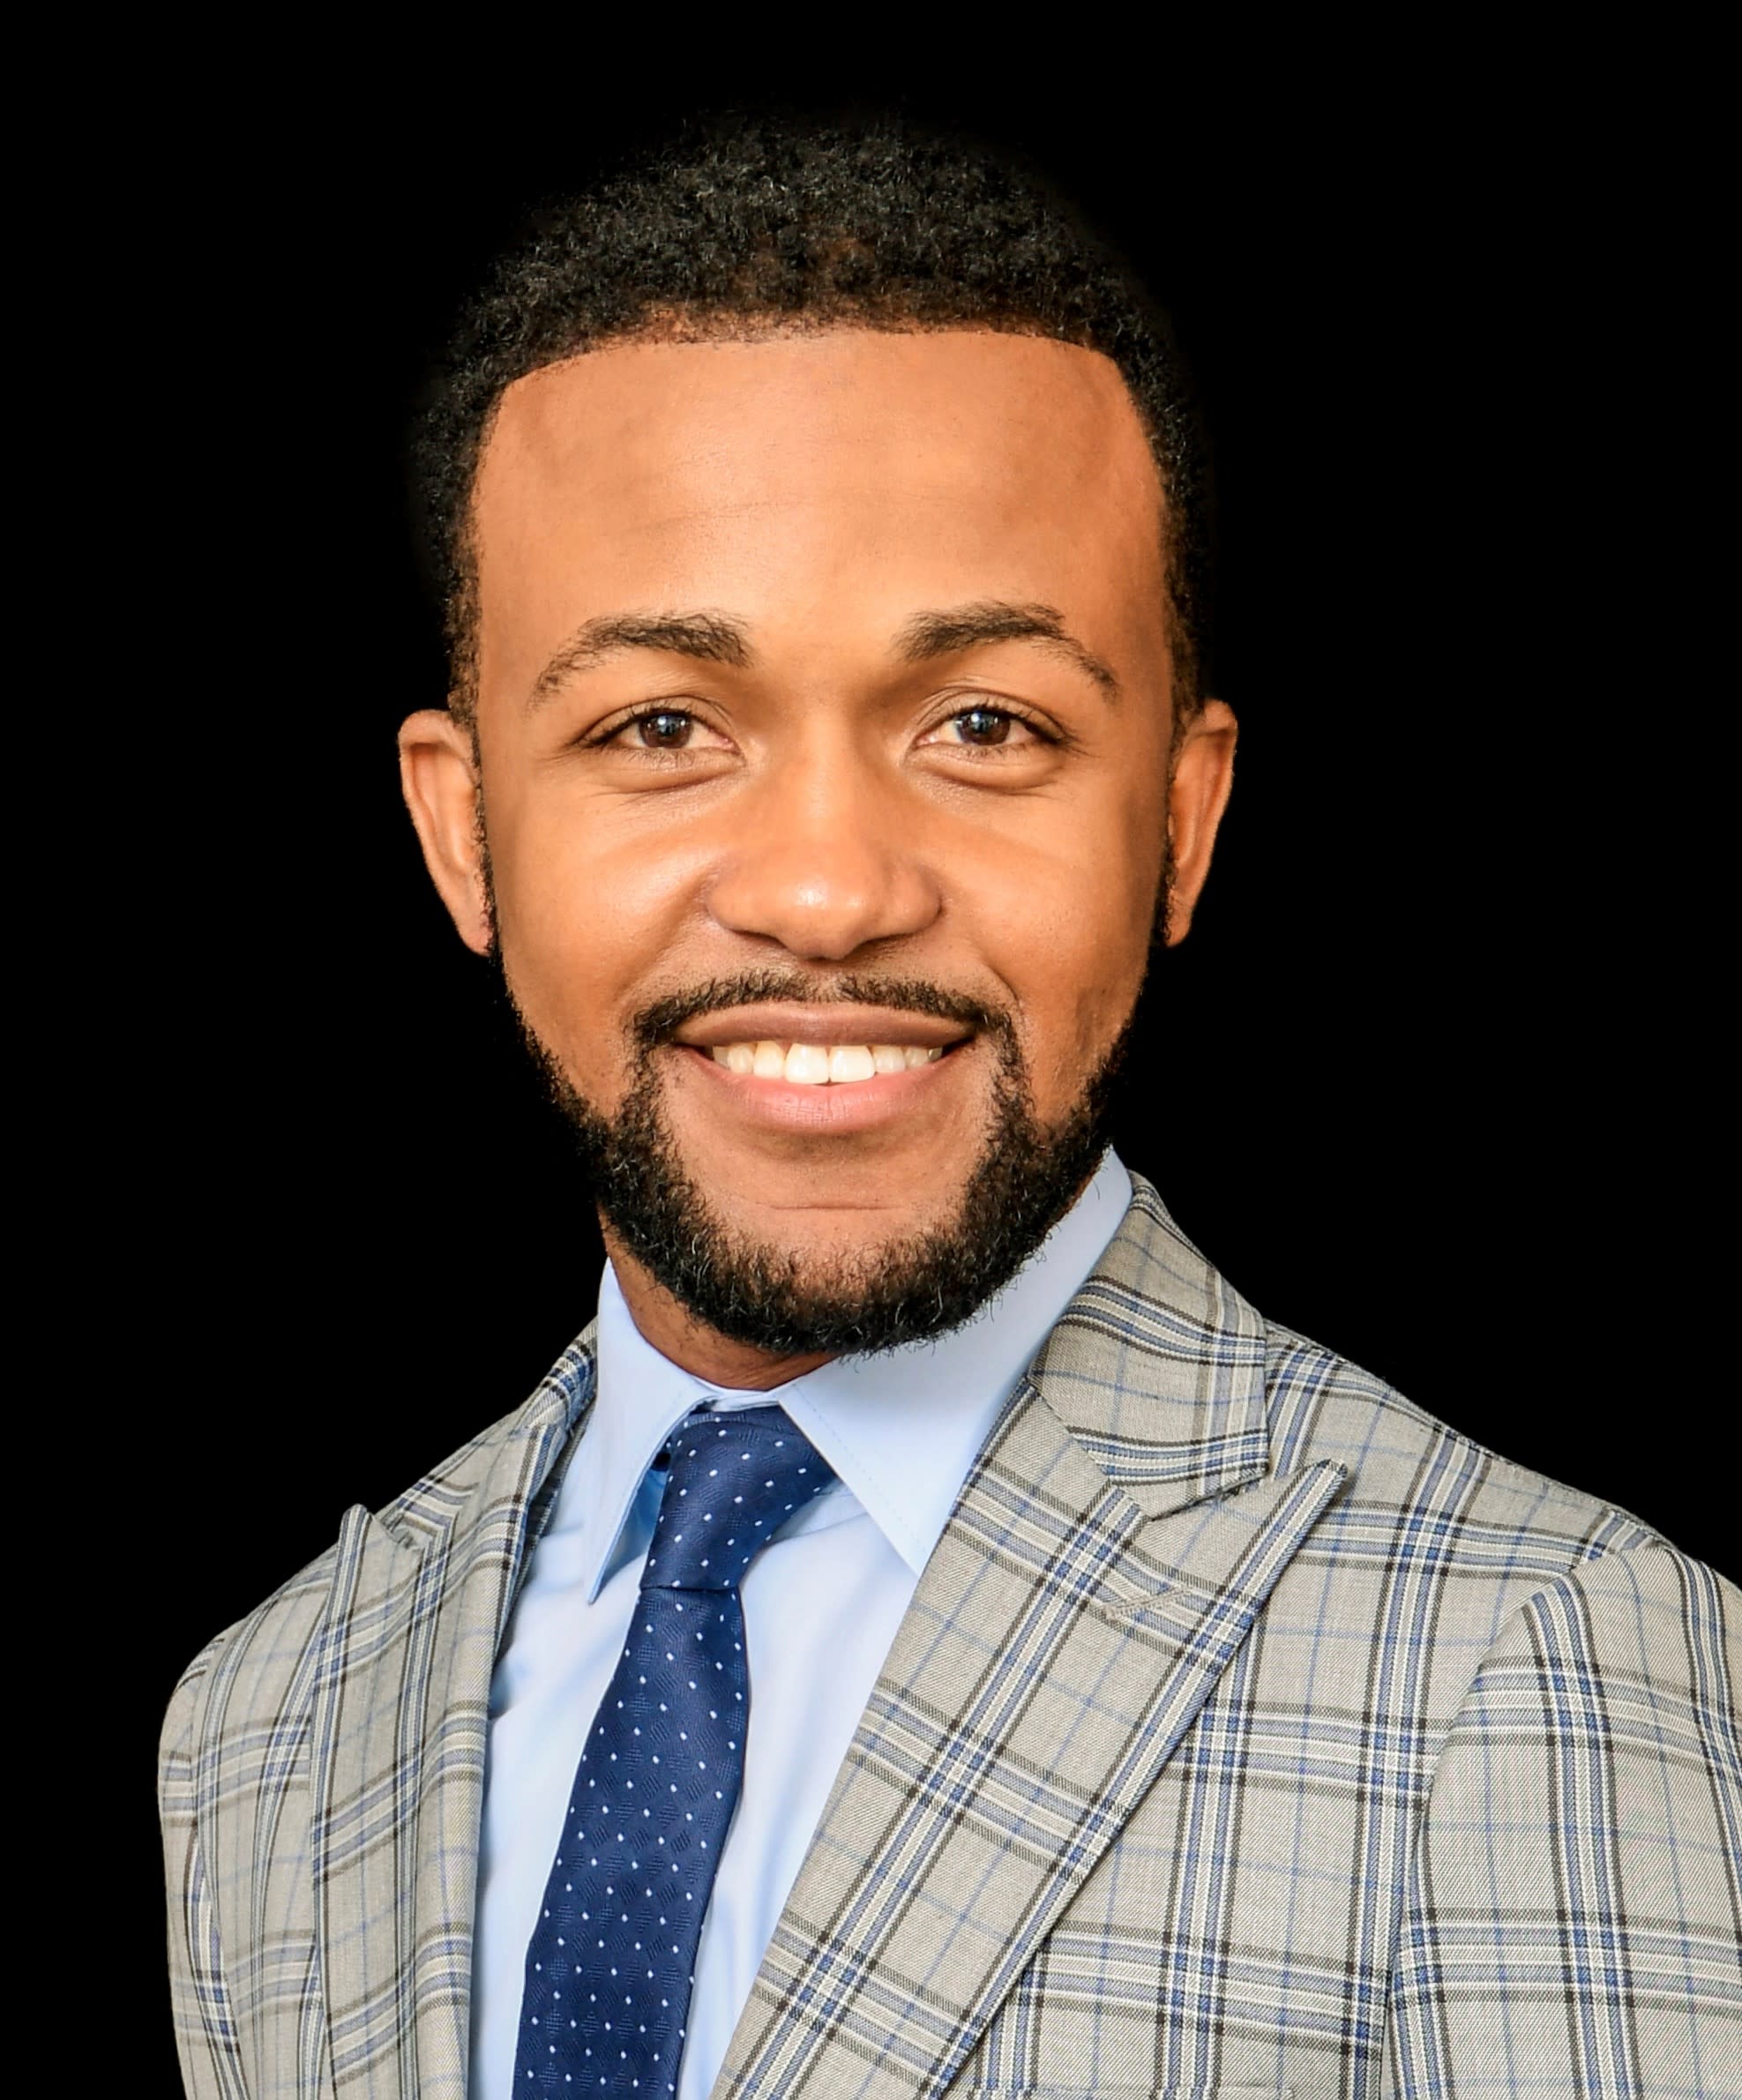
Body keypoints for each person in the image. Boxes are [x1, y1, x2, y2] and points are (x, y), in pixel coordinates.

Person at [159, 118, 1740, 2100]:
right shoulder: (266, 1721)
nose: (828, 890)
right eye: (663, 727)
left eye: (984, 726)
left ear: (1182, 821)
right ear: (464, 833)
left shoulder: (1541, 1655)